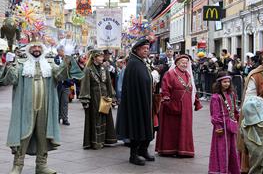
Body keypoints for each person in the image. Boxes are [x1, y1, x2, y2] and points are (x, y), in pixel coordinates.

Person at [0, 38, 84, 174]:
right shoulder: (21, 64)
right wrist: (9, 64)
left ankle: (41, 165)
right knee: (23, 134)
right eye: (34, 47)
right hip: (24, 107)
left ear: (43, 49)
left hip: (46, 106)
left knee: (43, 134)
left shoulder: (49, 64)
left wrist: (67, 60)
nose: (37, 50)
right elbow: (10, 80)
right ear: (29, 49)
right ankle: (17, 165)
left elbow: (60, 76)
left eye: (39, 47)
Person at [116, 38, 154, 166]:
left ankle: (143, 150)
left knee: (148, 127)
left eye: (148, 49)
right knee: (136, 128)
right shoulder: (133, 64)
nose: (146, 51)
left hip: (145, 100)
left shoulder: (141, 62)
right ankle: (133, 155)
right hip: (136, 103)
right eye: (144, 49)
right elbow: (133, 85)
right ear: (137, 50)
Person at [155, 54, 197, 157]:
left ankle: (183, 149)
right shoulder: (169, 74)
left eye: (186, 62)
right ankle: (169, 149)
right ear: (177, 63)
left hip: (186, 106)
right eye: (182, 62)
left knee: (184, 127)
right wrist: (168, 101)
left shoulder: (188, 75)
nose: (185, 64)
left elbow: (191, 90)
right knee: (171, 128)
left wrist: (196, 101)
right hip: (172, 105)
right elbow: (165, 89)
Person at [79, 49, 117, 150]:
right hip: (94, 97)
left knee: (105, 118)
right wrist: (85, 99)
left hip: (104, 97)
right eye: (100, 56)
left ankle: (104, 140)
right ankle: (96, 142)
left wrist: (112, 96)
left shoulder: (104, 68)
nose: (102, 58)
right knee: (96, 119)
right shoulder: (88, 69)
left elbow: (109, 83)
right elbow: (85, 85)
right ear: (94, 57)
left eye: (102, 56)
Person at [208, 71, 240, 174]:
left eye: (228, 82)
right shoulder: (215, 97)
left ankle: (232, 169)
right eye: (224, 82)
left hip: (232, 124)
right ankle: (221, 170)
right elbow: (215, 114)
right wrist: (218, 125)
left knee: (233, 148)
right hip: (222, 126)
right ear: (219, 83)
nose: (227, 84)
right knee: (222, 149)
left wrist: (238, 119)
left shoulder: (232, 94)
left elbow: (235, 110)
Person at [54, 45, 72, 125]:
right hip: (57, 84)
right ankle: (57, 118)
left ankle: (65, 118)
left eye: (63, 50)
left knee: (65, 102)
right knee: (57, 102)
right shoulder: (55, 59)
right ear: (58, 51)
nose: (62, 52)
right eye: (61, 51)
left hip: (66, 84)